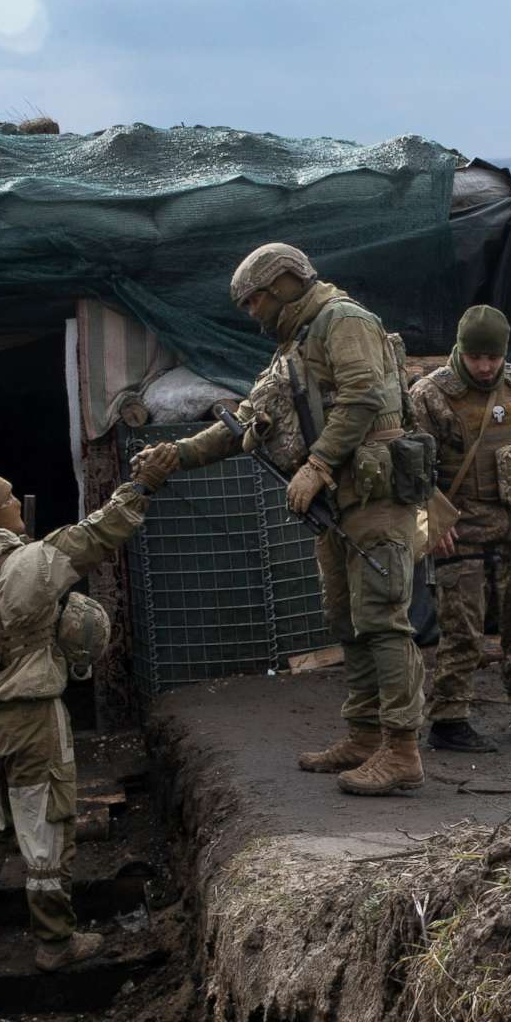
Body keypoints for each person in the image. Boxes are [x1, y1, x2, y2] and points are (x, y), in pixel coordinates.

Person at [129, 242, 427, 795]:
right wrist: (180, 454)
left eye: (255, 300)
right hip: (342, 498)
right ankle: (364, 737)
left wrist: (316, 464)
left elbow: (362, 396)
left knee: (383, 619)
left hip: (375, 493)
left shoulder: (343, 321)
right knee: (348, 619)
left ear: (285, 284)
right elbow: (252, 421)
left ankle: (402, 750)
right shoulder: (296, 343)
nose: (252, 313)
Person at [0, 469, 160, 964]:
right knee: (45, 830)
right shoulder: (26, 564)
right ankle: (55, 941)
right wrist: (138, 490)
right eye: (10, 497)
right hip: (30, 719)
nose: (17, 503)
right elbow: (95, 536)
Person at [408, 305, 511, 750]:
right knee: (462, 633)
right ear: (461, 350)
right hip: (461, 535)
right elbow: (410, 468)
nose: (484, 367)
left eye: (492, 357)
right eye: (476, 357)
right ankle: (450, 720)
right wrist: (430, 524)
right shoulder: (431, 395)